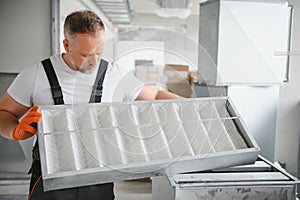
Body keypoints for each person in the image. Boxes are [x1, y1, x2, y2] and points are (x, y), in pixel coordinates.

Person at [0, 10, 179, 200]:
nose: (94, 61)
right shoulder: (36, 74)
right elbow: (4, 113)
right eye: (86, 54)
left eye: (99, 52)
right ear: (66, 44)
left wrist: (197, 104)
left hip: (98, 182)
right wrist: (15, 131)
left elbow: (156, 95)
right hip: (48, 182)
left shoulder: (114, 73)